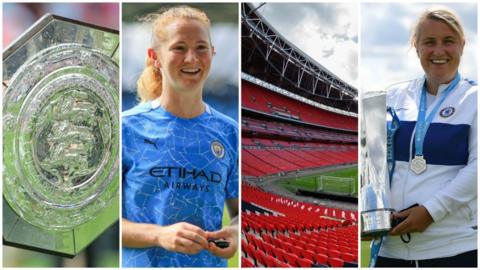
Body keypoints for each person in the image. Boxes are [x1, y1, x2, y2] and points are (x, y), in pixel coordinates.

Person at [121, 6, 238, 267]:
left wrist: (236, 233)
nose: (191, 59)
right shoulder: (127, 128)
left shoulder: (229, 132)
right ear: (155, 57)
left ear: (213, 53)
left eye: (200, 47)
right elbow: (105, 225)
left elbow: (242, 214)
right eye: (179, 48)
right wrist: (159, 234)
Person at [378, 8, 477, 267]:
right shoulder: (394, 96)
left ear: (462, 45)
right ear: (416, 46)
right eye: (429, 42)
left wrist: (431, 211)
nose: (439, 51)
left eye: (448, 41)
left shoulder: (475, 98)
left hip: (453, 248)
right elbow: (374, 161)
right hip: (389, 249)